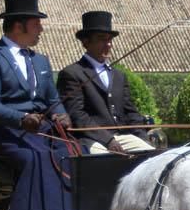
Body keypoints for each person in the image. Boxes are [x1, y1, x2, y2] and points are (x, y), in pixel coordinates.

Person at [0, 0, 75, 210]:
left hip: (40, 130)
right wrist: (20, 119)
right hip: (4, 131)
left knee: (72, 150)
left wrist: (62, 115)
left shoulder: (41, 61)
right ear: (19, 26)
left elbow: (53, 100)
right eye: (36, 23)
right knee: (36, 156)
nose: (41, 29)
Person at [57, 11, 153, 154]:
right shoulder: (72, 73)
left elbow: (130, 112)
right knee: (103, 160)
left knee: (151, 154)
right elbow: (77, 115)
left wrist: (142, 137)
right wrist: (108, 140)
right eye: (102, 39)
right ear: (86, 42)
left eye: (110, 40)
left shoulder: (119, 75)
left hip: (123, 137)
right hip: (91, 139)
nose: (108, 44)